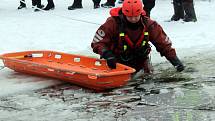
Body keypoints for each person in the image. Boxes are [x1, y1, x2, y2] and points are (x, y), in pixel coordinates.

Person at [91, 0, 184, 74]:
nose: (133, 19)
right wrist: (107, 54)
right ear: (124, 13)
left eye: (136, 16)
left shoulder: (150, 25)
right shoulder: (112, 23)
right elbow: (97, 43)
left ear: (141, 13)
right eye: (129, 17)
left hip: (141, 61)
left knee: (148, 80)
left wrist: (177, 63)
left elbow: (164, 46)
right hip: (116, 62)